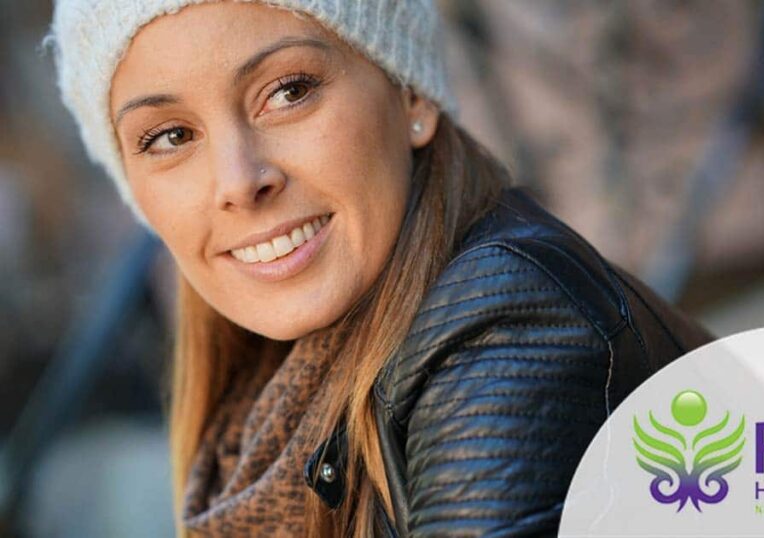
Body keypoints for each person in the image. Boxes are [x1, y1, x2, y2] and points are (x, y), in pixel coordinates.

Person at [44, 1, 714, 536]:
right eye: (170, 137)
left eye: (288, 91)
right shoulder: (256, 412)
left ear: (411, 97)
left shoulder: (503, 326)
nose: (239, 180)